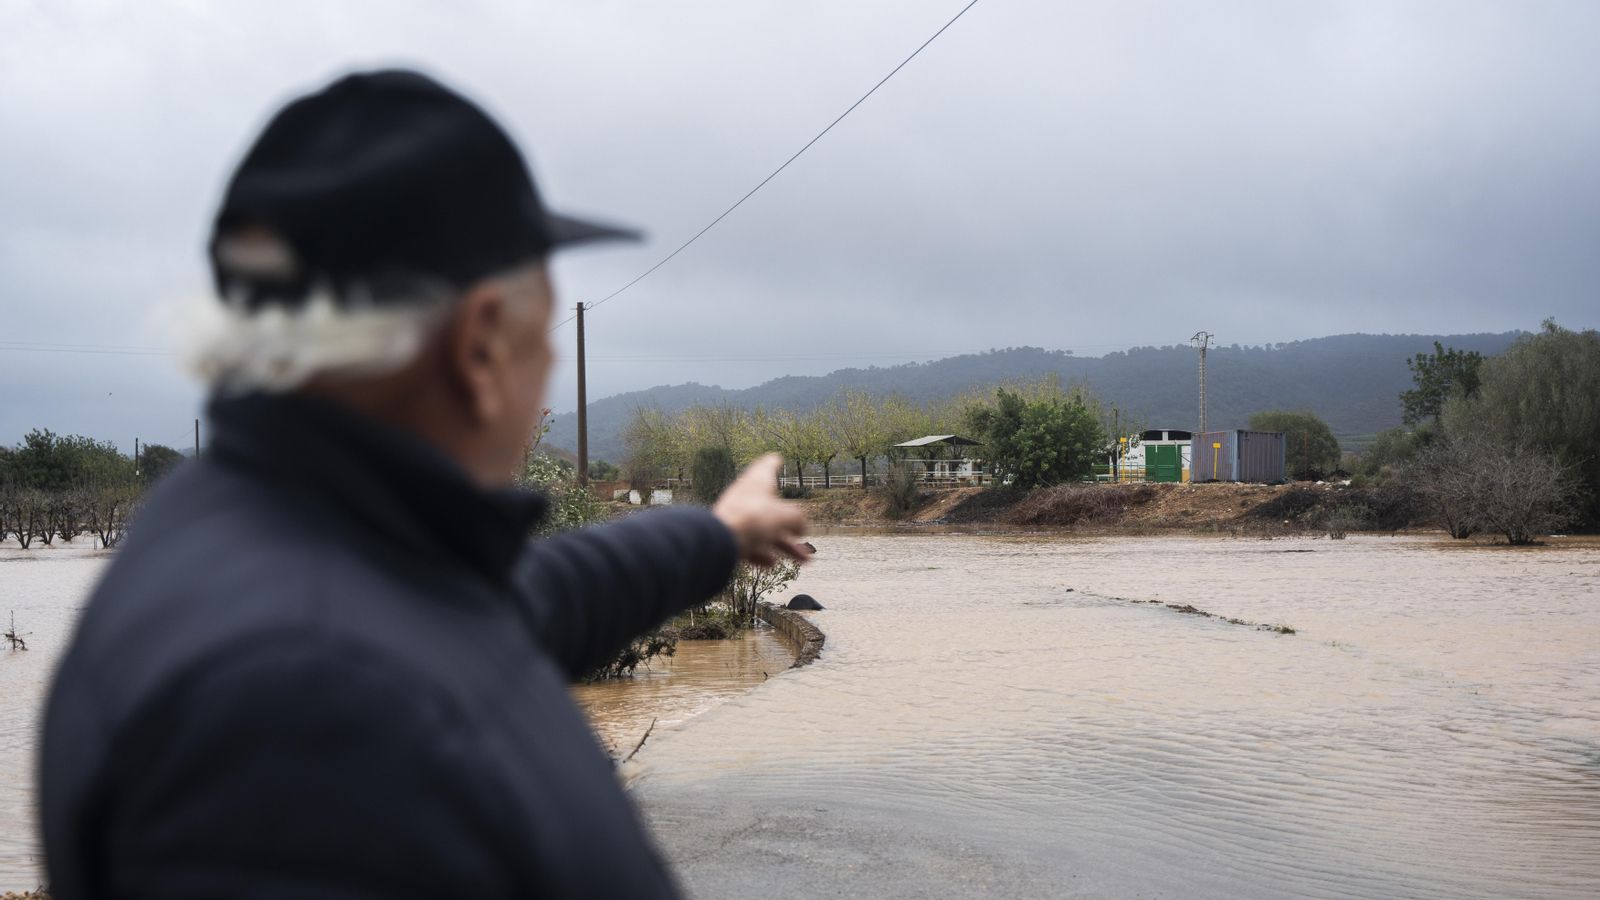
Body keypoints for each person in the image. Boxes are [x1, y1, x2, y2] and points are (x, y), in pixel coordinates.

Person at [39, 68, 810, 899]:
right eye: (540, 339)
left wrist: (722, 533)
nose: (545, 378)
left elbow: (546, 596)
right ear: (478, 349)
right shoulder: (304, 711)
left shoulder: (295, 542)